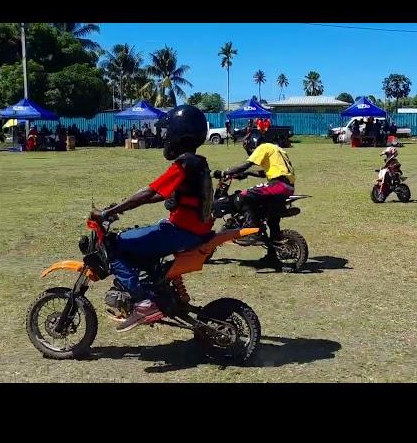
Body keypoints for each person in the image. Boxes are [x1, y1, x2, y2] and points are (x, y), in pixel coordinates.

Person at [89, 105, 214, 332]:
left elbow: (147, 193)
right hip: (194, 230)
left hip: (182, 231)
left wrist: (108, 213)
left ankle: (142, 302)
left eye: (169, 132)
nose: (166, 138)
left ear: (180, 134)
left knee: (113, 244)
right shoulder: (198, 162)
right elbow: (159, 194)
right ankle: (157, 290)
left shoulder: (184, 164)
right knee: (142, 239)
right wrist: (119, 207)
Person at [214, 130, 295, 247]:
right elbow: (266, 173)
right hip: (288, 187)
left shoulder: (263, 147)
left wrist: (224, 173)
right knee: (271, 218)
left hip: (278, 185)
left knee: (242, 196)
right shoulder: (277, 149)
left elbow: (246, 164)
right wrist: (248, 174)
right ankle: (273, 254)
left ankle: (252, 229)